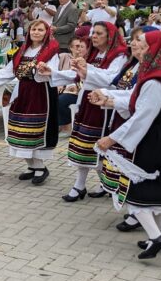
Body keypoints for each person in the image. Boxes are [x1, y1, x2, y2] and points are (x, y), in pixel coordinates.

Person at [92, 31, 161, 259]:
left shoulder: (156, 81)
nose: (139, 49)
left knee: (136, 191)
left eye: (144, 45)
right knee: (157, 195)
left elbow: (142, 116)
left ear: (156, 50)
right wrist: (110, 97)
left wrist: (112, 139)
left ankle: (156, 238)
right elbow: (134, 98)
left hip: (153, 140)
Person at [41, 22, 127, 201]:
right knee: (82, 145)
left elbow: (111, 80)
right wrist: (53, 72)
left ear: (109, 36)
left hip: (103, 107)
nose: (93, 36)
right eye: (93, 33)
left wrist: (87, 70)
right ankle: (80, 185)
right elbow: (77, 75)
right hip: (88, 102)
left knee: (98, 147)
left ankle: (107, 184)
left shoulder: (118, 56)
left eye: (98, 33)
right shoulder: (95, 54)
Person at [84, 26, 158, 232]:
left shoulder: (150, 72)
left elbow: (136, 101)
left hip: (136, 126)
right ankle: (141, 215)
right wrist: (106, 96)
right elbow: (121, 88)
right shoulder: (133, 66)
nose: (134, 44)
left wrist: (110, 100)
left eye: (140, 41)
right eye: (133, 40)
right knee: (125, 169)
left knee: (134, 168)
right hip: (124, 120)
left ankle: (144, 217)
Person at [0, 20, 60, 184]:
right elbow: (9, 71)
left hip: (40, 93)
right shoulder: (23, 49)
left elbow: (53, 73)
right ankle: (32, 166)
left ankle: (40, 167)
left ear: (46, 32)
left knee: (35, 130)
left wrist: (42, 70)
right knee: (19, 129)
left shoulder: (51, 50)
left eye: (40, 30)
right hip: (23, 92)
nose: (36, 32)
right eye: (33, 29)